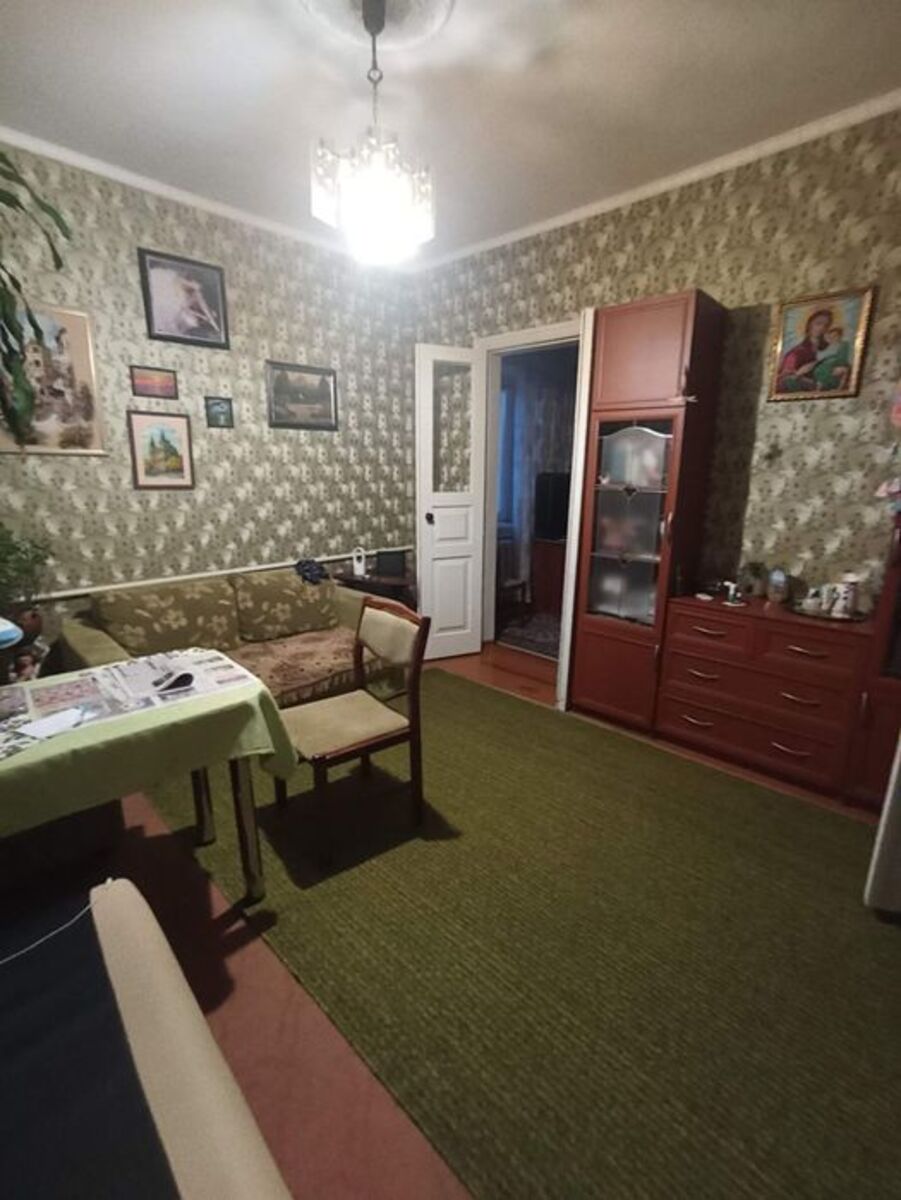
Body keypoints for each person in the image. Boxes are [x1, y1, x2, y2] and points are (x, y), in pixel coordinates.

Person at [775, 307, 832, 392]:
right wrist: (799, 373)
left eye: (826, 326)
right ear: (809, 325)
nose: (821, 328)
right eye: (818, 323)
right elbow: (783, 380)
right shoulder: (796, 352)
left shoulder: (830, 348)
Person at [812, 326, 851, 391]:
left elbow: (843, 357)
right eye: (832, 336)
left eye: (835, 336)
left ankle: (820, 388)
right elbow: (824, 356)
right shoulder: (832, 345)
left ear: (840, 336)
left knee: (826, 367)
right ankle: (819, 388)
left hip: (839, 362)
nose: (834, 338)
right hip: (831, 363)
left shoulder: (844, 344)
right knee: (820, 369)